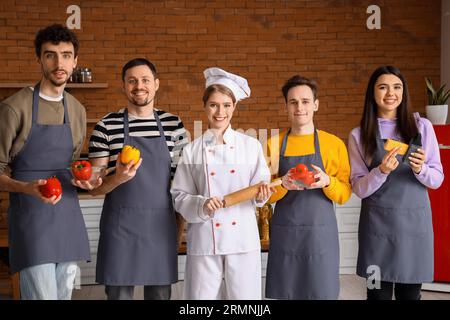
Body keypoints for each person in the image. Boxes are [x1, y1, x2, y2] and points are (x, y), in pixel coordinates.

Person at [0, 24, 93, 300]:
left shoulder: (77, 110)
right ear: (39, 59)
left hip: (67, 214)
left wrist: (87, 179)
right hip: (31, 216)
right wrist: (26, 188)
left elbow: (73, 164)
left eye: (66, 55)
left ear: (75, 61)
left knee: (63, 294)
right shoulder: (13, 107)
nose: (59, 63)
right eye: (50, 55)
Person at [88, 58, 188, 300]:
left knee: (160, 296)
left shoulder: (174, 126)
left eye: (145, 80)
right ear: (123, 86)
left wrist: (179, 232)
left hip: (161, 228)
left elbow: (182, 186)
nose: (138, 86)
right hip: (119, 229)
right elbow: (94, 188)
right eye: (132, 81)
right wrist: (118, 178)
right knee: (119, 295)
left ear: (156, 84)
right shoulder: (105, 127)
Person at [170, 67, 272, 300]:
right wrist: (202, 205)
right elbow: (179, 196)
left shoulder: (250, 145)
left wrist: (261, 194)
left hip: (242, 239)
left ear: (234, 107)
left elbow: (261, 188)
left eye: (227, 105)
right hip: (206, 238)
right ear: (205, 106)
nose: (220, 111)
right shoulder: (192, 150)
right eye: (214, 104)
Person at [348, 65, 444, 300]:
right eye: (383, 87)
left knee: (410, 297)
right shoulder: (359, 135)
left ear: (404, 92)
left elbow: (437, 179)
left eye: (397, 87)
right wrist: (380, 171)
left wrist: (421, 168)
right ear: (372, 93)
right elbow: (359, 189)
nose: (391, 93)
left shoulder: (422, 127)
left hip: (414, 230)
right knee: (376, 296)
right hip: (376, 232)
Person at [265, 75, 352, 300]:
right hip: (286, 235)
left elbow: (344, 194)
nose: (299, 107)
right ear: (285, 106)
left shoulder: (333, 144)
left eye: (305, 101)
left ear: (315, 104)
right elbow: (265, 196)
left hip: (320, 235)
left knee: (321, 292)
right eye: (293, 102)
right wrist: (283, 184)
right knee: (287, 293)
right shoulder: (273, 145)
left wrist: (328, 182)